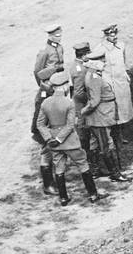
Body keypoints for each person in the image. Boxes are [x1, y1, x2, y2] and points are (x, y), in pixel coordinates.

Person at [37, 72, 105, 205]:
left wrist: (50, 138)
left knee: (59, 168)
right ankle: (93, 194)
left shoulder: (45, 103)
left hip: (54, 143)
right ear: (63, 86)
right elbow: (69, 125)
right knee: (83, 165)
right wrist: (60, 138)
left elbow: (40, 124)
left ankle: (63, 198)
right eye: (67, 84)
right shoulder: (69, 103)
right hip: (69, 141)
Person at [82, 49, 130, 183]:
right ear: (93, 63)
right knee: (107, 145)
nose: (104, 62)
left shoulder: (93, 74)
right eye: (101, 60)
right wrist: (84, 111)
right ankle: (115, 173)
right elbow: (94, 101)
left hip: (99, 116)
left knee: (95, 144)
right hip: (100, 118)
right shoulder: (95, 78)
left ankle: (95, 171)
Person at [32, 24, 64, 196]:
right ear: (50, 36)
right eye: (56, 35)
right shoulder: (44, 51)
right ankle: (48, 183)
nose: (59, 37)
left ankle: (57, 175)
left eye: (60, 35)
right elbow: (38, 72)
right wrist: (46, 86)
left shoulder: (60, 48)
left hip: (56, 90)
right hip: (48, 90)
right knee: (46, 145)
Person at [70, 42, 103, 178]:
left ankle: (91, 165)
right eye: (88, 55)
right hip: (82, 107)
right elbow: (78, 93)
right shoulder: (79, 69)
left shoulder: (80, 65)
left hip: (83, 106)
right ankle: (90, 167)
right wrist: (92, 97)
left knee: (88, 137)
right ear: (83, 55)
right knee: (85, 137)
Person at [99, 25, 133, 151]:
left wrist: (126, 74)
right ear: (106, 36)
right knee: (114, 110)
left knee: (124, 109)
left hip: (121, 83)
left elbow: (124, 62)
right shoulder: (101, 48)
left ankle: (121, 135)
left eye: (114, 34)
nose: (113, 37)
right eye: (110, 35)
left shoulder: (121, 45)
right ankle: (114, 137)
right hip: (111, 83)